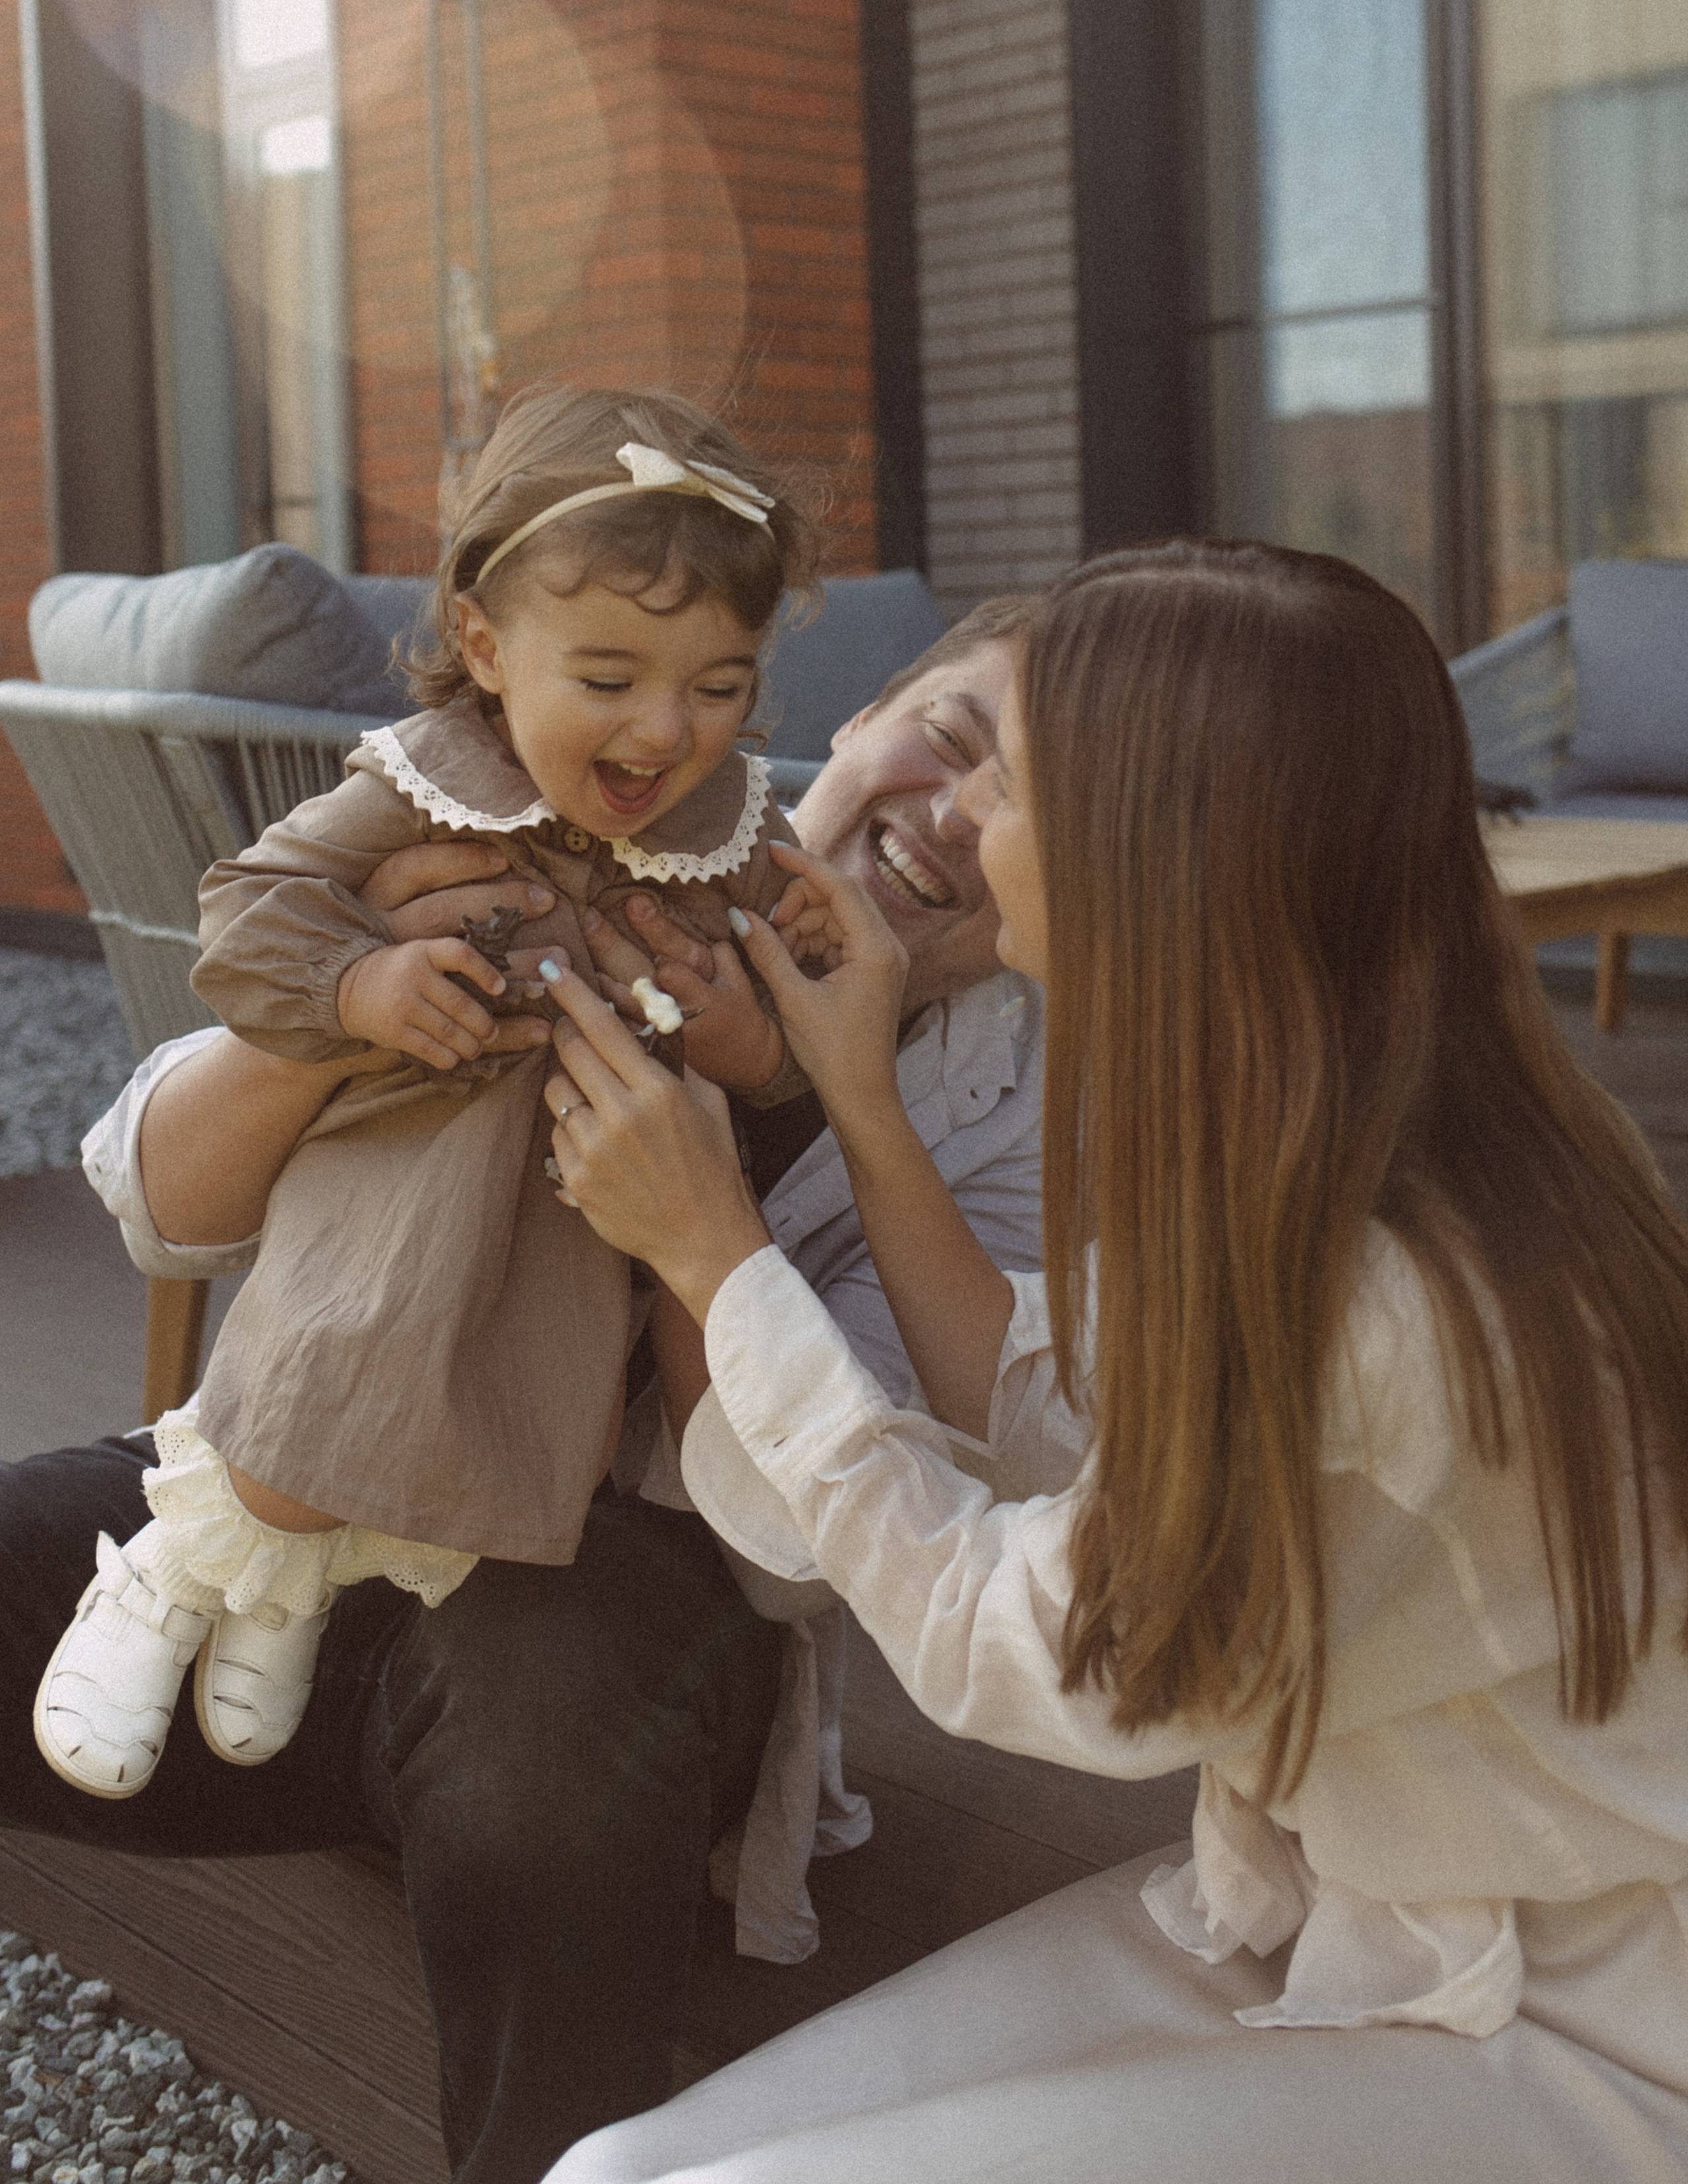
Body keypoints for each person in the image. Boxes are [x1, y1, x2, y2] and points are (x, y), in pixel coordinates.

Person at [538, 539, 1688, 2184]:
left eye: (1010, 778)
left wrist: (714, 1257)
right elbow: (1061, 1411)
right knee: (611, 2175)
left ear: (1149, 849)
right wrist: (858, 1098)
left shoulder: (1399, 1299)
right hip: (1309, 1900)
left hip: (1582, 2017)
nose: (963, 815)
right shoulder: (1336, 1136)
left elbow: (1025, 1642)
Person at [0, 593, 1041, 2183]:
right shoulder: (558, 811)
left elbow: (786, 1562)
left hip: (617, 1609)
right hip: (303, 1497)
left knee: (541, 1726)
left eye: (1023, 803)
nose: (954, 816)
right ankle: (387, 1768)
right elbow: (156, 1200)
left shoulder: (1005, 1123)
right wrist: (344, 1001)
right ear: (852, 715)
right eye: (949, 736)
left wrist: (703, 1221)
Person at [35, 385, 826, 1804]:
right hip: (397, 1178)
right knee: (331, 1381)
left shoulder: (732, 832)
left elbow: (783, 1039)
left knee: (492, 1441)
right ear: (485, 643)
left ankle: (285, 1602)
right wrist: (357, 985)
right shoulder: (421, 790)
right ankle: (174, 1571)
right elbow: (245, 914)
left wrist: (747, 1043)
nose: (667, 731)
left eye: (720, 688)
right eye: (609, 680)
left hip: (567, 1230)